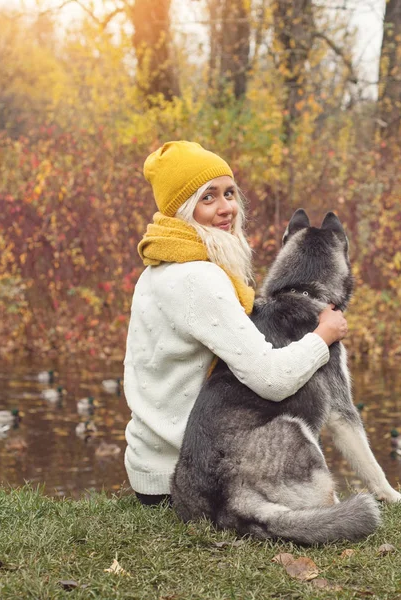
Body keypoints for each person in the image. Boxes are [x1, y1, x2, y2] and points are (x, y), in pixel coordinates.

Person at [123, 141, 348, 506]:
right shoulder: (199, 278)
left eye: (229, 193)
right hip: (189, 476)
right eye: (208, 198)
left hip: (149, 468)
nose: (227, 207)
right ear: (182, 209)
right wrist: (323, 336)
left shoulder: (156, 270)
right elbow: (271, 381)